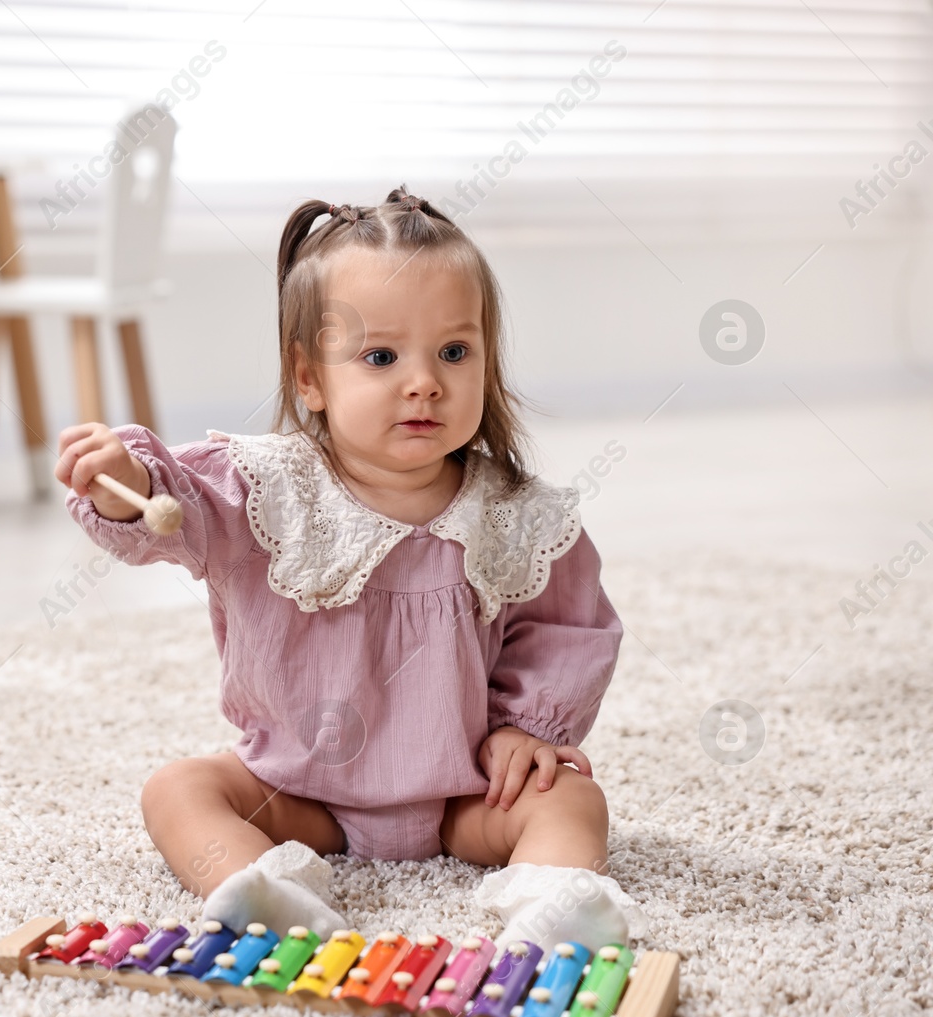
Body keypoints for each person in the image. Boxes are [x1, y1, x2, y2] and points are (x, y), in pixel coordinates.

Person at [57, 188, 644, 953]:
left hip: (464, 794)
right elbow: (176, 514)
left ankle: (556, 901)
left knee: (570, 797)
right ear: (310, 379)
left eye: (455, 352)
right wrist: (128, 484)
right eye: (380, 357)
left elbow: (569, 627)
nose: (425, 381)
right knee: (178, 789)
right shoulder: (264, 490)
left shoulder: (516, 514)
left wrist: (523, 729)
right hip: (298, 792)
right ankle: (261, 888)